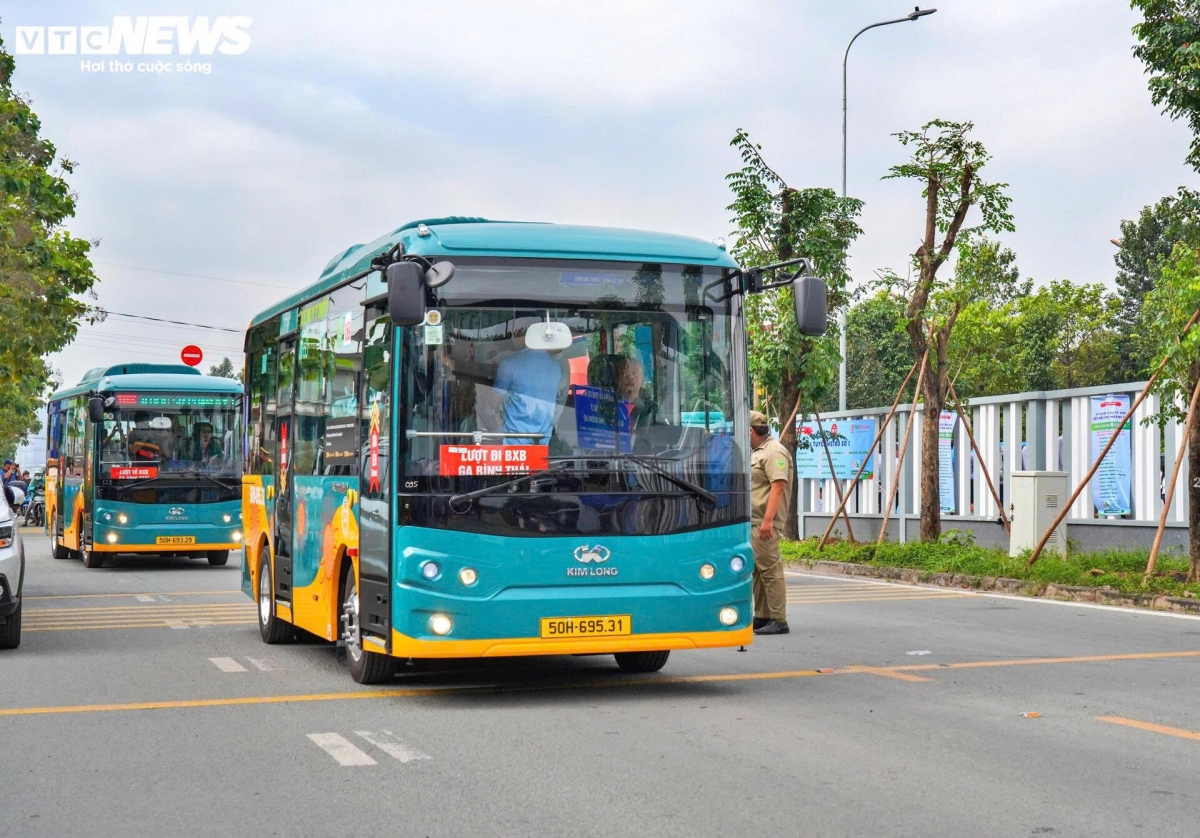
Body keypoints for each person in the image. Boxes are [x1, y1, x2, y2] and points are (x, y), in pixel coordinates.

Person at [749, 410, 792, 635]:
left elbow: (778, 486)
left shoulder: (774, 452)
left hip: (765, 523)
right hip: (755, 520)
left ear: (749, 430)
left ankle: (778, 618)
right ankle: (763, 615)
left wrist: (768, 521)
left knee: (770, 569)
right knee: (758, 569)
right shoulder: (757, 452)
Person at [493, 320, 564, 444]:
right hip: (542, 446)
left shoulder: (509, 363)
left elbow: (492, 401)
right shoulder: (556, 366)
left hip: (514, 448)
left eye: (516, 332)